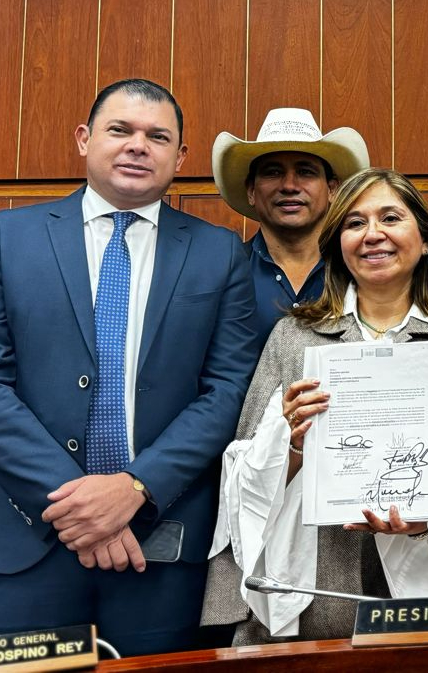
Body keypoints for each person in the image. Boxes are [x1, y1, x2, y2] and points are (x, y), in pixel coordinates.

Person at [0, 79, 257, 655]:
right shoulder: (7, 238)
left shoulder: (221, 253)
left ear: (180, 158)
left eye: (157, 136)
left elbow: (227, 390)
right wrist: (81, 501)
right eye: (121, 130)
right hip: (29, 536)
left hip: (162, 545)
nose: (138, 145)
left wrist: (136, 488)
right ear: (84, 139)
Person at [202, 168, 428, 642]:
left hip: (418, 592)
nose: (372, 235)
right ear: (338, 243)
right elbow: (240, 474)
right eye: (355, 223)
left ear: (424, 240)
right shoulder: (294, 337)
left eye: (390, 218)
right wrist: (290, 445)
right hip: (309, 588)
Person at [212, 108, 370, 352]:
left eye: (305, 172)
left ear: (332, 189)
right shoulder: (222, 274)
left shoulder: (363, 271)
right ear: (252, 191)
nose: (289, 185)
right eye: (273, 172)